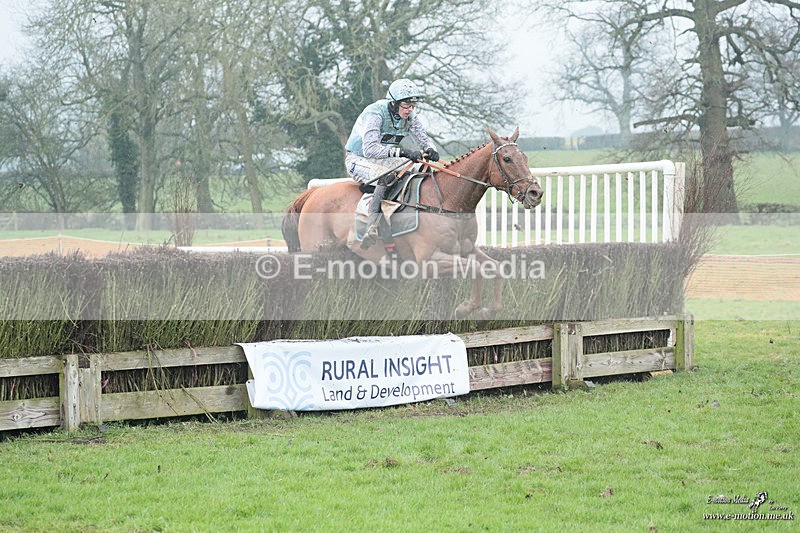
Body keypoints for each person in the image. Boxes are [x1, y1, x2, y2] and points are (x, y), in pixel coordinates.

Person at [344, 78, 440, 249]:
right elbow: (370, 150)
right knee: (385, 176)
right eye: (406, 105)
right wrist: (402, 152)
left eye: (413, 105)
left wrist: (431, 149)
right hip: (358, 159)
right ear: (394, 103)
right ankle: (371, 226)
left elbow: (423, 138)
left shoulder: (410, 116)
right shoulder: (374, 113)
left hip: (383, 158)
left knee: (420, 169)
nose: (410, 110)